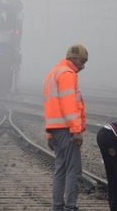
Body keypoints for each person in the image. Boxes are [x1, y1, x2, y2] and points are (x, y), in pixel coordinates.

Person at [43, 43, 88, 211]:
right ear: (73, 59)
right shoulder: (67, 74)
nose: (83, 66)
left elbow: (49, 107)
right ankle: (70, 207)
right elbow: (68, 105)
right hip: (66, 130)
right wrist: (76, 130)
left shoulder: (52, 74)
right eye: (82, 62)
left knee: (60, 170)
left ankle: (58, 207)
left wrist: (49, 134)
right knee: (73, 171)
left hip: (55, 129)